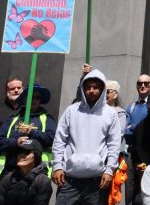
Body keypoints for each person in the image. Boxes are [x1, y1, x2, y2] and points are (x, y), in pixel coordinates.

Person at [51, 69, 122, 205]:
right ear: (83, 88)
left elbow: (114, 145)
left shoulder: (111, 114)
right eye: (88, 87)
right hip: (69, 181)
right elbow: (59, 140)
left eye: (96, 87)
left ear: (102, 89)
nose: (91, 90)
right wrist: (57, 166)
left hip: (97, 182)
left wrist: (109, 170)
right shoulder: (71, 110)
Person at [0, 84, 56, 182]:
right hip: (10, 173)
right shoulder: (13, 118)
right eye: (30, 97)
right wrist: (16, 142)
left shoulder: (47, 119)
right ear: (24, 99)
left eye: (37, 98)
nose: (34, 100)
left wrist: (33, 132)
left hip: (37, 174)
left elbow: (52, 139)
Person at [0, 140, 53, 205]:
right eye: (19, 152)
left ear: (36, 156)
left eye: (26, 152)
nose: (21, 155)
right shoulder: (8, 178)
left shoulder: (42, 181)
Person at [127, 76, 150, 147]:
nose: (142, 86)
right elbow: (125, 130)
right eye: (139, 83)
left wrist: (132, 127)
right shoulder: (130, 107)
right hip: (132, 150)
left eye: (146, 83)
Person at [105, 81, 130, 148]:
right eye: (102, 91)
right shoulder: (97, 110)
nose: (104, 94)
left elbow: (118, 134)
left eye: (107, 91)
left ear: (115, 94)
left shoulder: (120, 113)